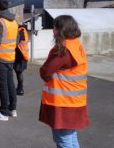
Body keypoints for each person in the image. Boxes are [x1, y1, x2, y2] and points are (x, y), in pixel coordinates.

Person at [39, 15, 89, 148]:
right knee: (70, 137)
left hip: (63, 103)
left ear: (60, 30)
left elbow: (45, 72)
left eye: (54, 27)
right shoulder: (76, 45)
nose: (52, 31)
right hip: (75, 101)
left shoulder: (63, 50)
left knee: (63, 140)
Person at [14, 25, 29, 96]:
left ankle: (20, 89)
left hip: (20, 55)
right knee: (19, 73)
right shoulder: (23, 30)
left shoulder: (20, 31)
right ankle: (20, 88)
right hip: (22, 55)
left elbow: (16, 42)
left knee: (19, 72)